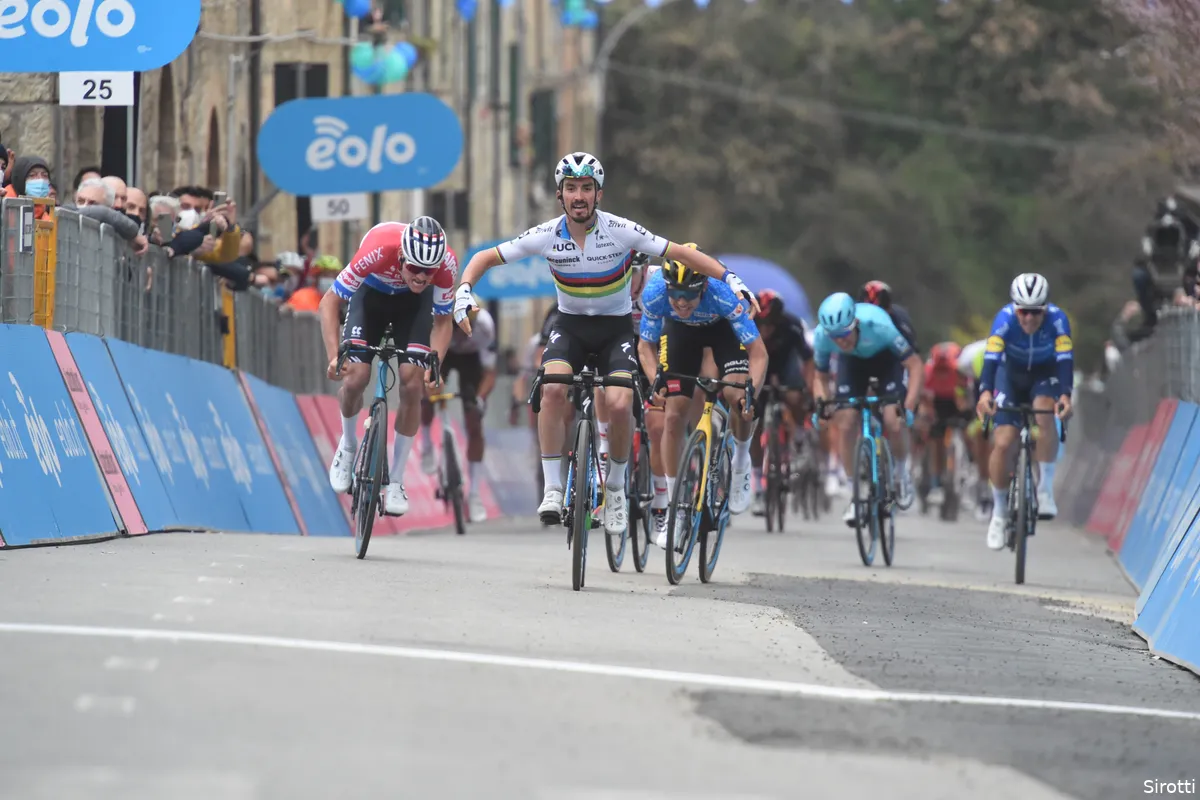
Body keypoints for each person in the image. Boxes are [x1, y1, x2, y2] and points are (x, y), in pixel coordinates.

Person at [452, 151, 759, 535]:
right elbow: (485, 257)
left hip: (615, 330)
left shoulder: (621, 230)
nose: (578, 196)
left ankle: (614, 487)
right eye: (570, 188)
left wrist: (731, 278)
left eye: (586, 188)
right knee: (551, 389)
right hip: (571, 327)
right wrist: (464, 288)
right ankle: (551, 488)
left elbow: (681, 253)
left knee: (618, 404)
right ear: (559, 195)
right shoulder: (547, 234)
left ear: (599, 194)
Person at [318, 216, 456, 516]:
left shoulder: (445, 266)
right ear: (402, 257)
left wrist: (436, 362)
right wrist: (333, 356)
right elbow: (329, 302)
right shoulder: (379, 248)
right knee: (356, 377)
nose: (421, 277)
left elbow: (444, 321)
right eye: (415, 269)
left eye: (428, 271)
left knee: (412, 381)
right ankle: (349, 443)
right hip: (371, 298)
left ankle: (396, 480)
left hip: (413, 308)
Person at [638, 246, 767, 545]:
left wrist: (752, 390)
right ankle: (675, 508)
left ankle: (741, 462)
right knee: (672, 415)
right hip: (681, 334)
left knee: (737, 396)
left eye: (689, 295)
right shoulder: (656, 293)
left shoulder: (723, 295)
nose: (682, 302)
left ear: (704, 286)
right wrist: (655, 378)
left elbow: (758, 354)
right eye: (676, 294)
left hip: (722, 330)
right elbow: (646, 347)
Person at [975, 273, 1073, 550]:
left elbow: (1065, 360)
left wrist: (1065, 395)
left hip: (1044, 375)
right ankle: (998, 513)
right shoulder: (1003, 320)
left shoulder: (1058, 321)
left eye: (1035, 312)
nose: (1028, 319)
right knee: (1004, 441)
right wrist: (984, 394)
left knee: (1045, 411)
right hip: (1011, 375)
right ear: (1014, 308)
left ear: (1045, 309)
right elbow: (991, 361)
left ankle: (1044, 490)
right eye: (1023, 312)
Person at [810, 292, 924, 524]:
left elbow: (914, 365)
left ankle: (901, 472)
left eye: (844, 334)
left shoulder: (879, 325)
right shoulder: (823, 336)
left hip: (886, 361)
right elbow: (819, 377)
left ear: (856, 323)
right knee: (845, 420)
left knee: (893, 419)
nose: (840, 341)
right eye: (835, 337)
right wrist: (822, 403)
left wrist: (909, 404)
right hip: (851, 364)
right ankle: (855, 495)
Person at [420, 300, 497, 523]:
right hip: (444, 352)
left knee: (474, 419)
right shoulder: (440, 320)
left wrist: (480, 399)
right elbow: (429, 365)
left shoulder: (485, 327)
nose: (463, 333)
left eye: (467, 327)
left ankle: (473, 494)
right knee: (429, 391)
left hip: (471, 361)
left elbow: (490, 373)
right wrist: (433, 387)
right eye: (459, 327)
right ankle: (426, 442)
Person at [751, 288, 815, 511]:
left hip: (786, 366)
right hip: (759, 365)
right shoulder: (747, 323)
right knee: (752, 421)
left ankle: (798, 431)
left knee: (795, 396)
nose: (766, 329)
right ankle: (758, 483)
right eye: (762, 324)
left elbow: (808, 360)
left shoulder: (792, 326)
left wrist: (808, 388)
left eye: (770, 324)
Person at [919, 341, 970, 505]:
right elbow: (923, 398)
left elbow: (967, 396)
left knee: (969, 432)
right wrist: (926, 413)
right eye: (939, 370)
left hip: (956, 401)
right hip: (937, 403)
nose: (942, 373)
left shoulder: (960, 371)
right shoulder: (928, 372)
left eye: (945, 370)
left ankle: (968, 468)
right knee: (936, 440)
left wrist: (966, 410)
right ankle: (936, 482)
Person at [858, 280, 918, 350]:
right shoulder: (855, 323)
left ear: (889, 309)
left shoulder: (900, 325)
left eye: (877, 314)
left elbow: (912, 354)